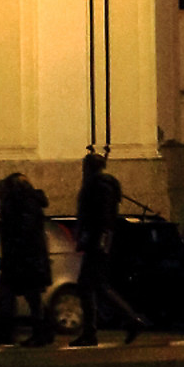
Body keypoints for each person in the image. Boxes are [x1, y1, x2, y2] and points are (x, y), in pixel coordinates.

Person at [70, 148, 145, 346]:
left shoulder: (98, 186)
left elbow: (98, 217)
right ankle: (124, 322)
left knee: (90, 287)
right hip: (99, 241)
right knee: (96, 287)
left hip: (97, 242)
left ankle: (98, 330)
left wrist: (91, 238)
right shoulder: (101, 185)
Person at [0, 171, 51, 344]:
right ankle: (6, 332)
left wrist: (13, 252)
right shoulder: (23, 204)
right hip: (23, 258)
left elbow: (23, 232)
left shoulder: (23, 205)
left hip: (25, 259)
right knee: (12, 294)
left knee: (30, 297)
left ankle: (39, 334)